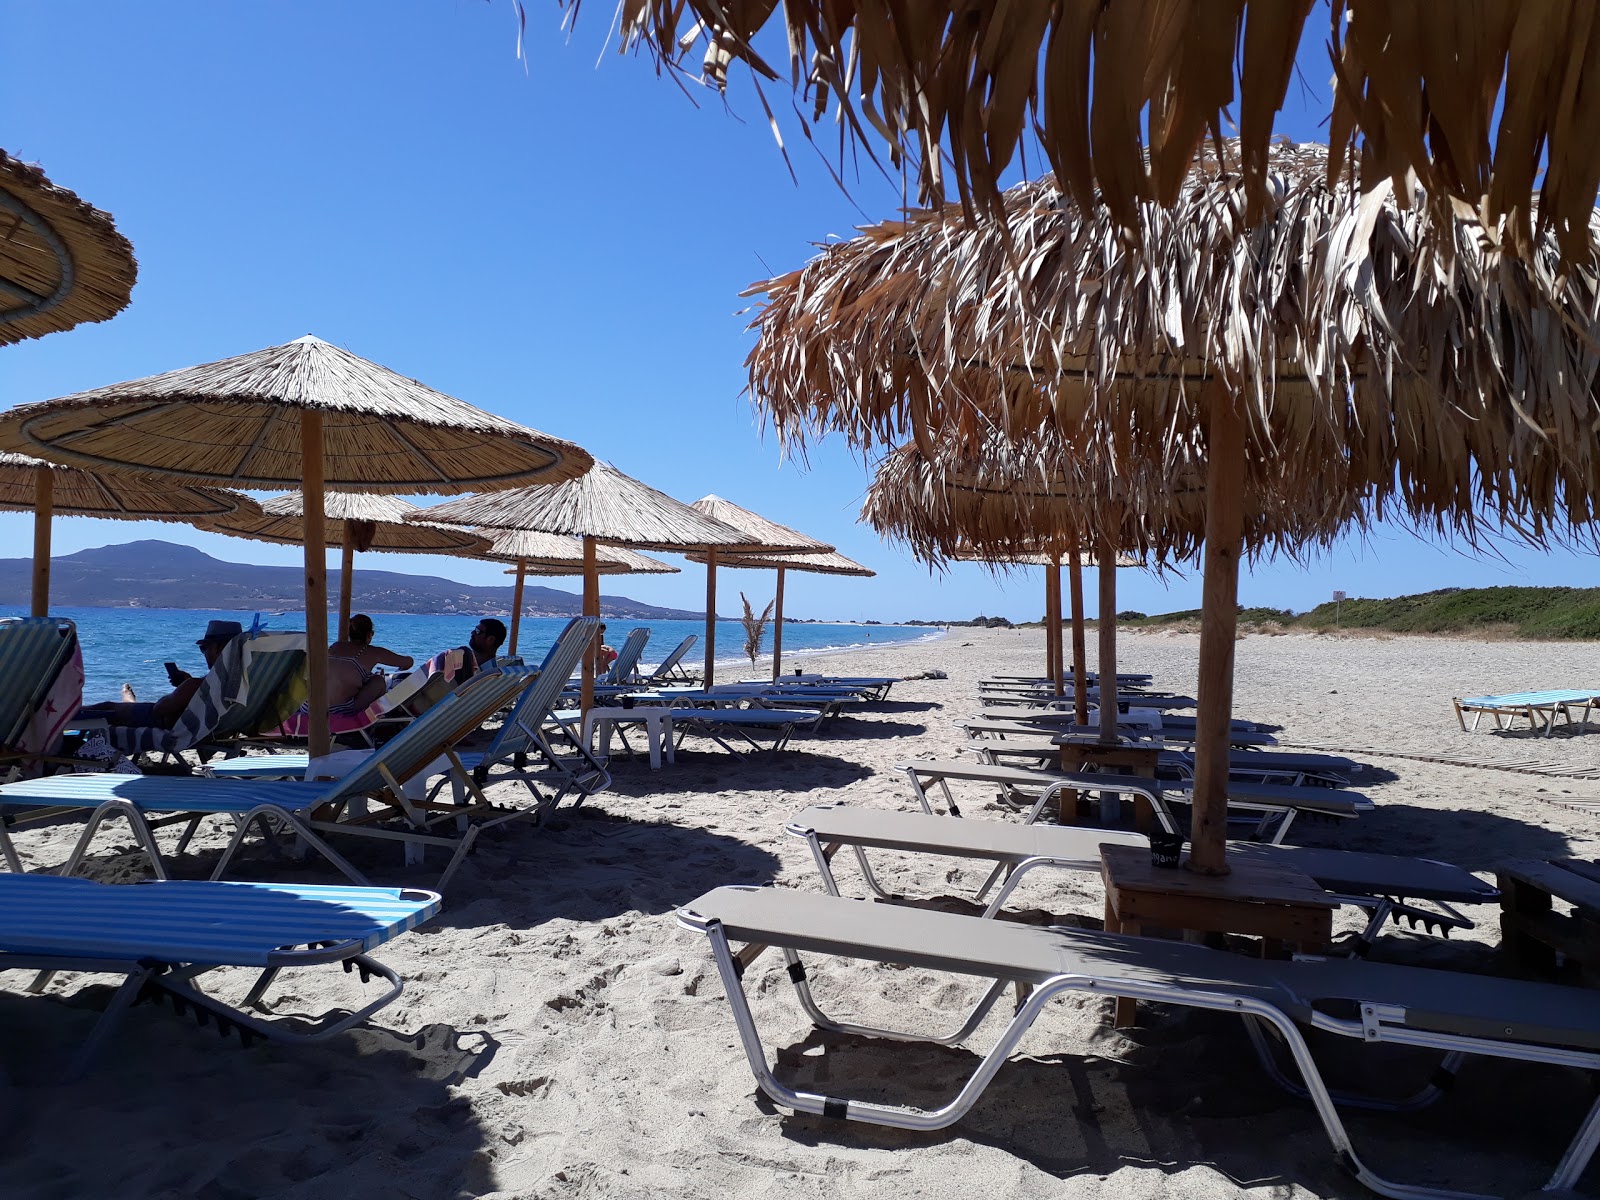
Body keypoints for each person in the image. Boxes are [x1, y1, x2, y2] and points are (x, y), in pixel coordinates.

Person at [79, 619, 240, 728]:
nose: (203, 653)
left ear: (218, 649)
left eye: (204, 648)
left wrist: (186, 686)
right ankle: (129, 701)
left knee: (105, 708)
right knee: (125, 708)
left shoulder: (197, 685)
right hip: (220, 731)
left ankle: (65, 714)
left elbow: (160, 709)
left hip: (169, 724)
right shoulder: (245, 683)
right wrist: (187, 684)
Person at [327, 614, 412, 716]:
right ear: (369, 634)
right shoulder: (372, 652)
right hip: (341, 711)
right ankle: (378, 718)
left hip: (311, 708)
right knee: (378, 681)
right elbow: (408, 662)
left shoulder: (336, 646)